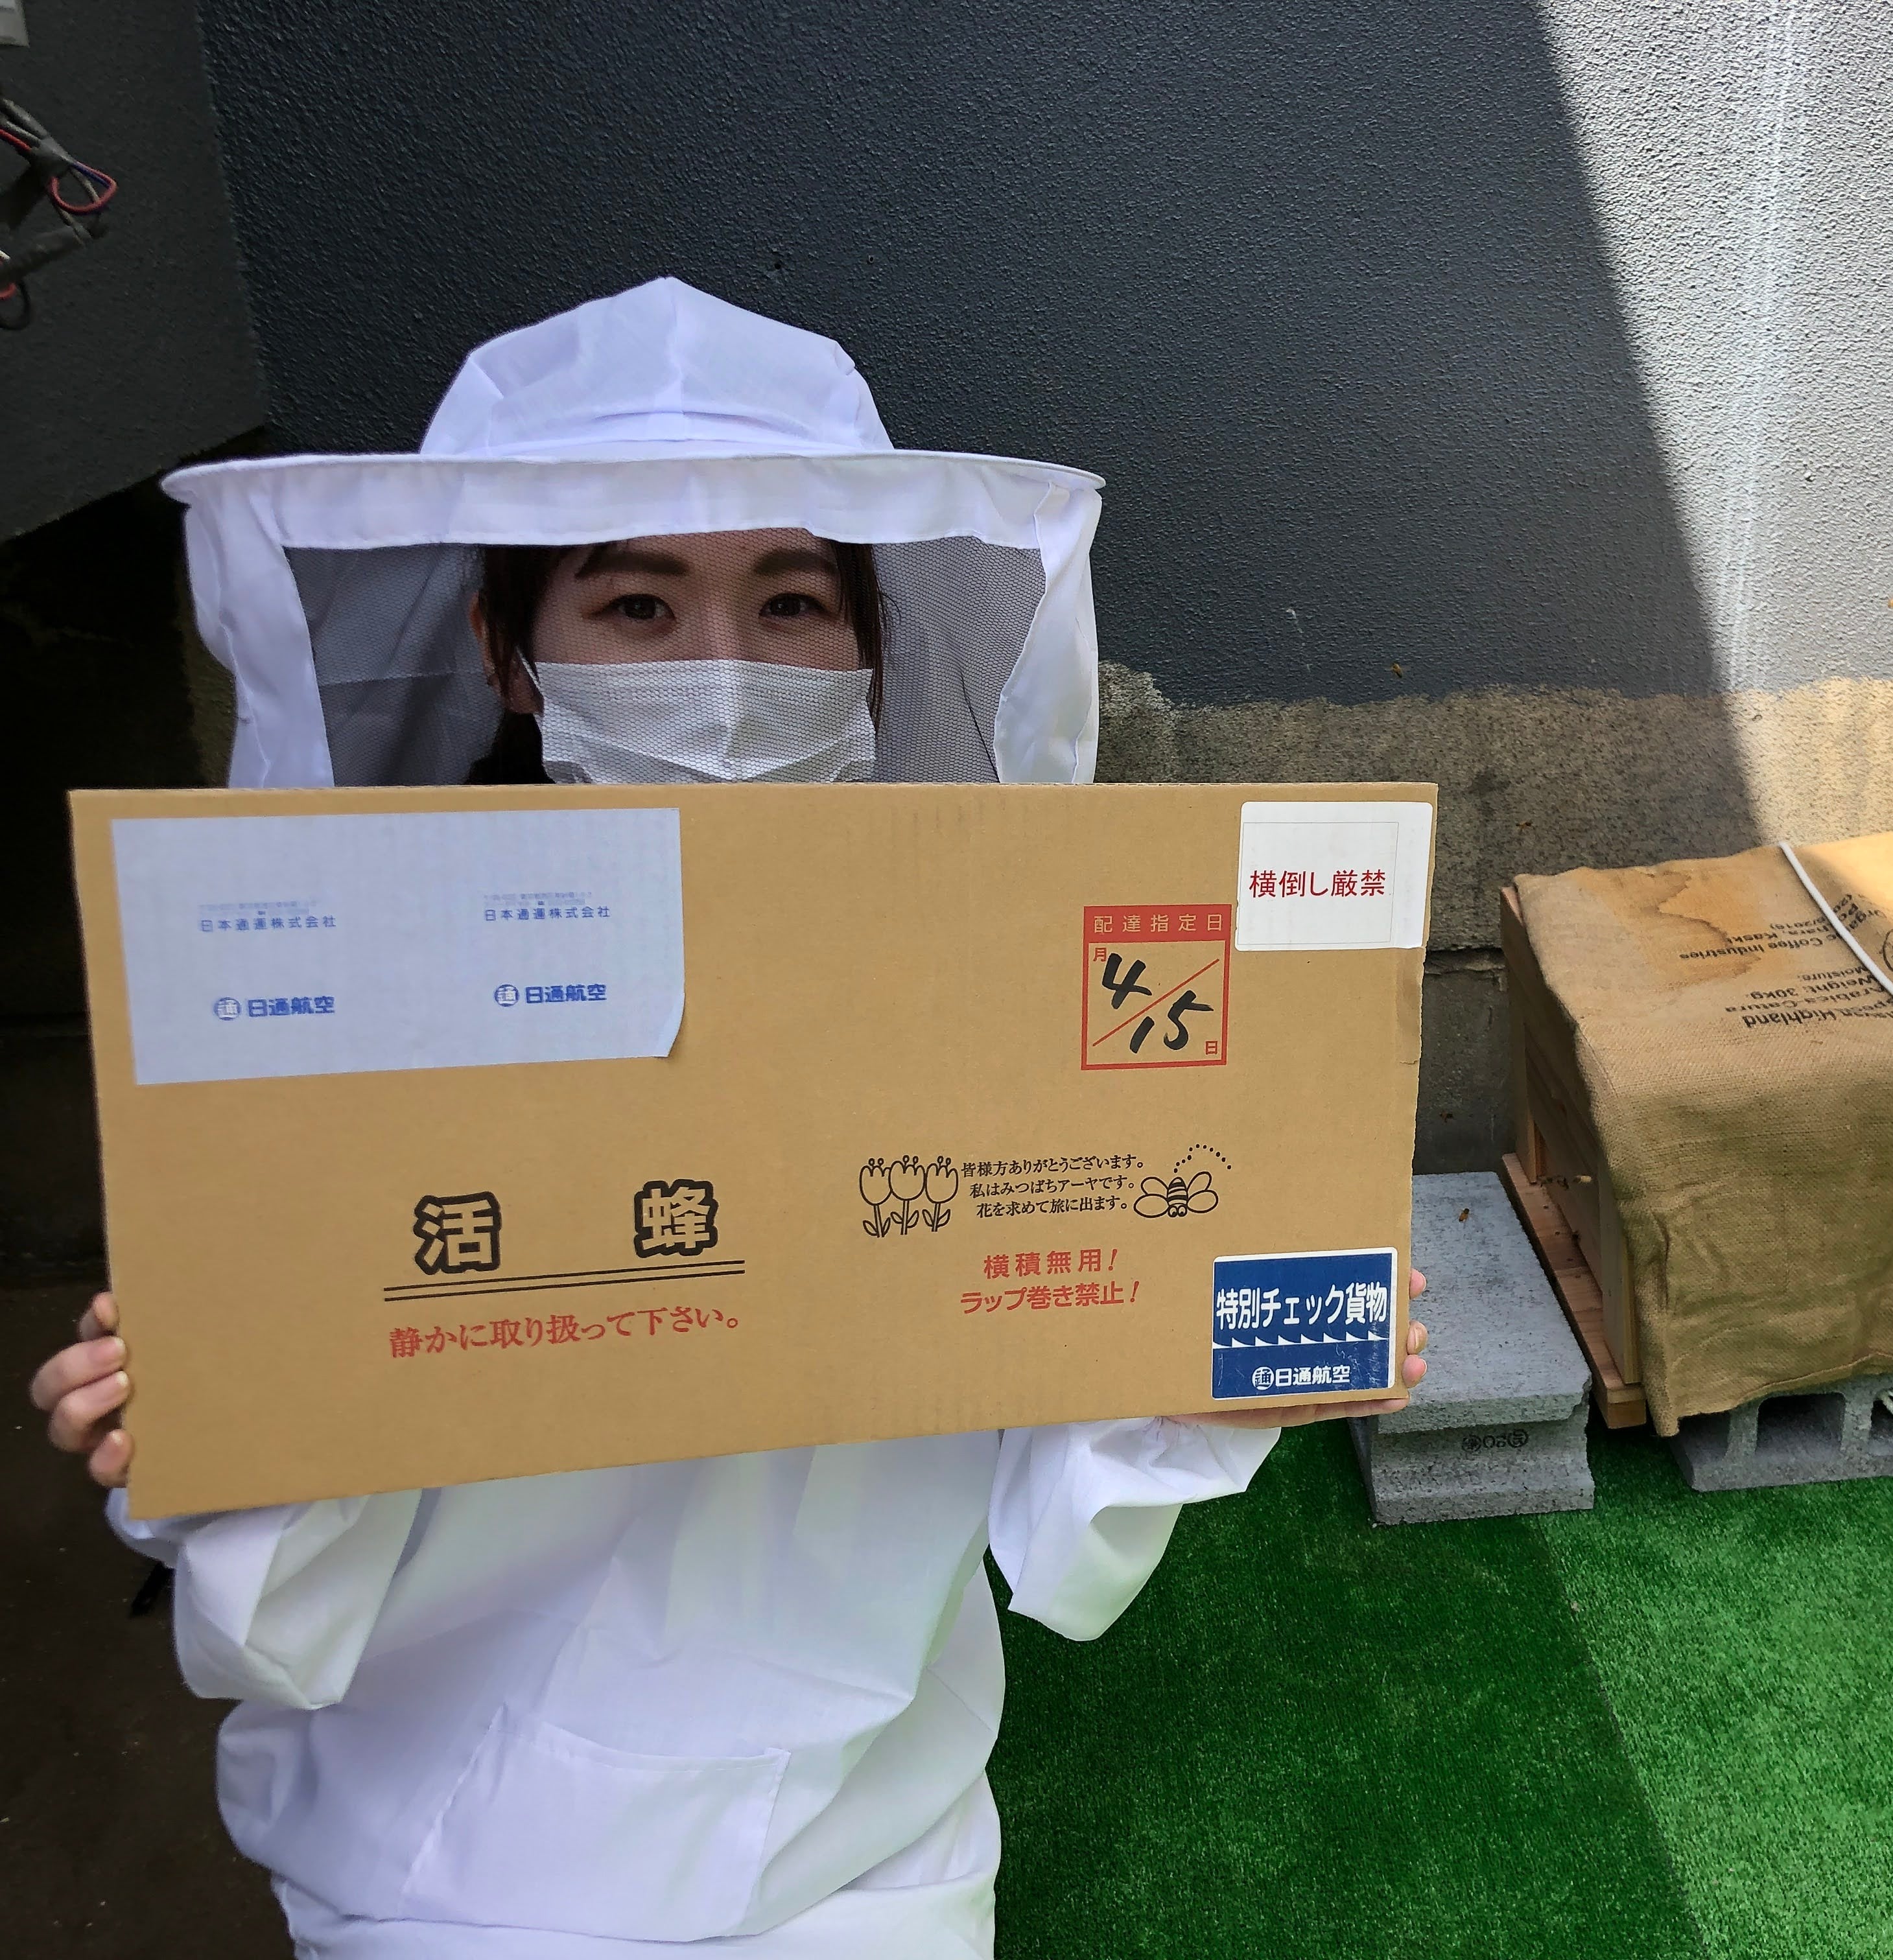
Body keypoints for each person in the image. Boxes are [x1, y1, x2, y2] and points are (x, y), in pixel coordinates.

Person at [27, 281, 1427, 1960]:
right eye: (637, 603)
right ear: (507, 650)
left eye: (791, 601)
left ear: (873, 645)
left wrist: (1212, 1359)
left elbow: (1058, 1485)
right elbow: (278, 1603)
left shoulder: (984, 999)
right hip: (452, 1861)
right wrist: (202, 1412)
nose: (725, 674)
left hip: (874, 1842)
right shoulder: (341, 1004)